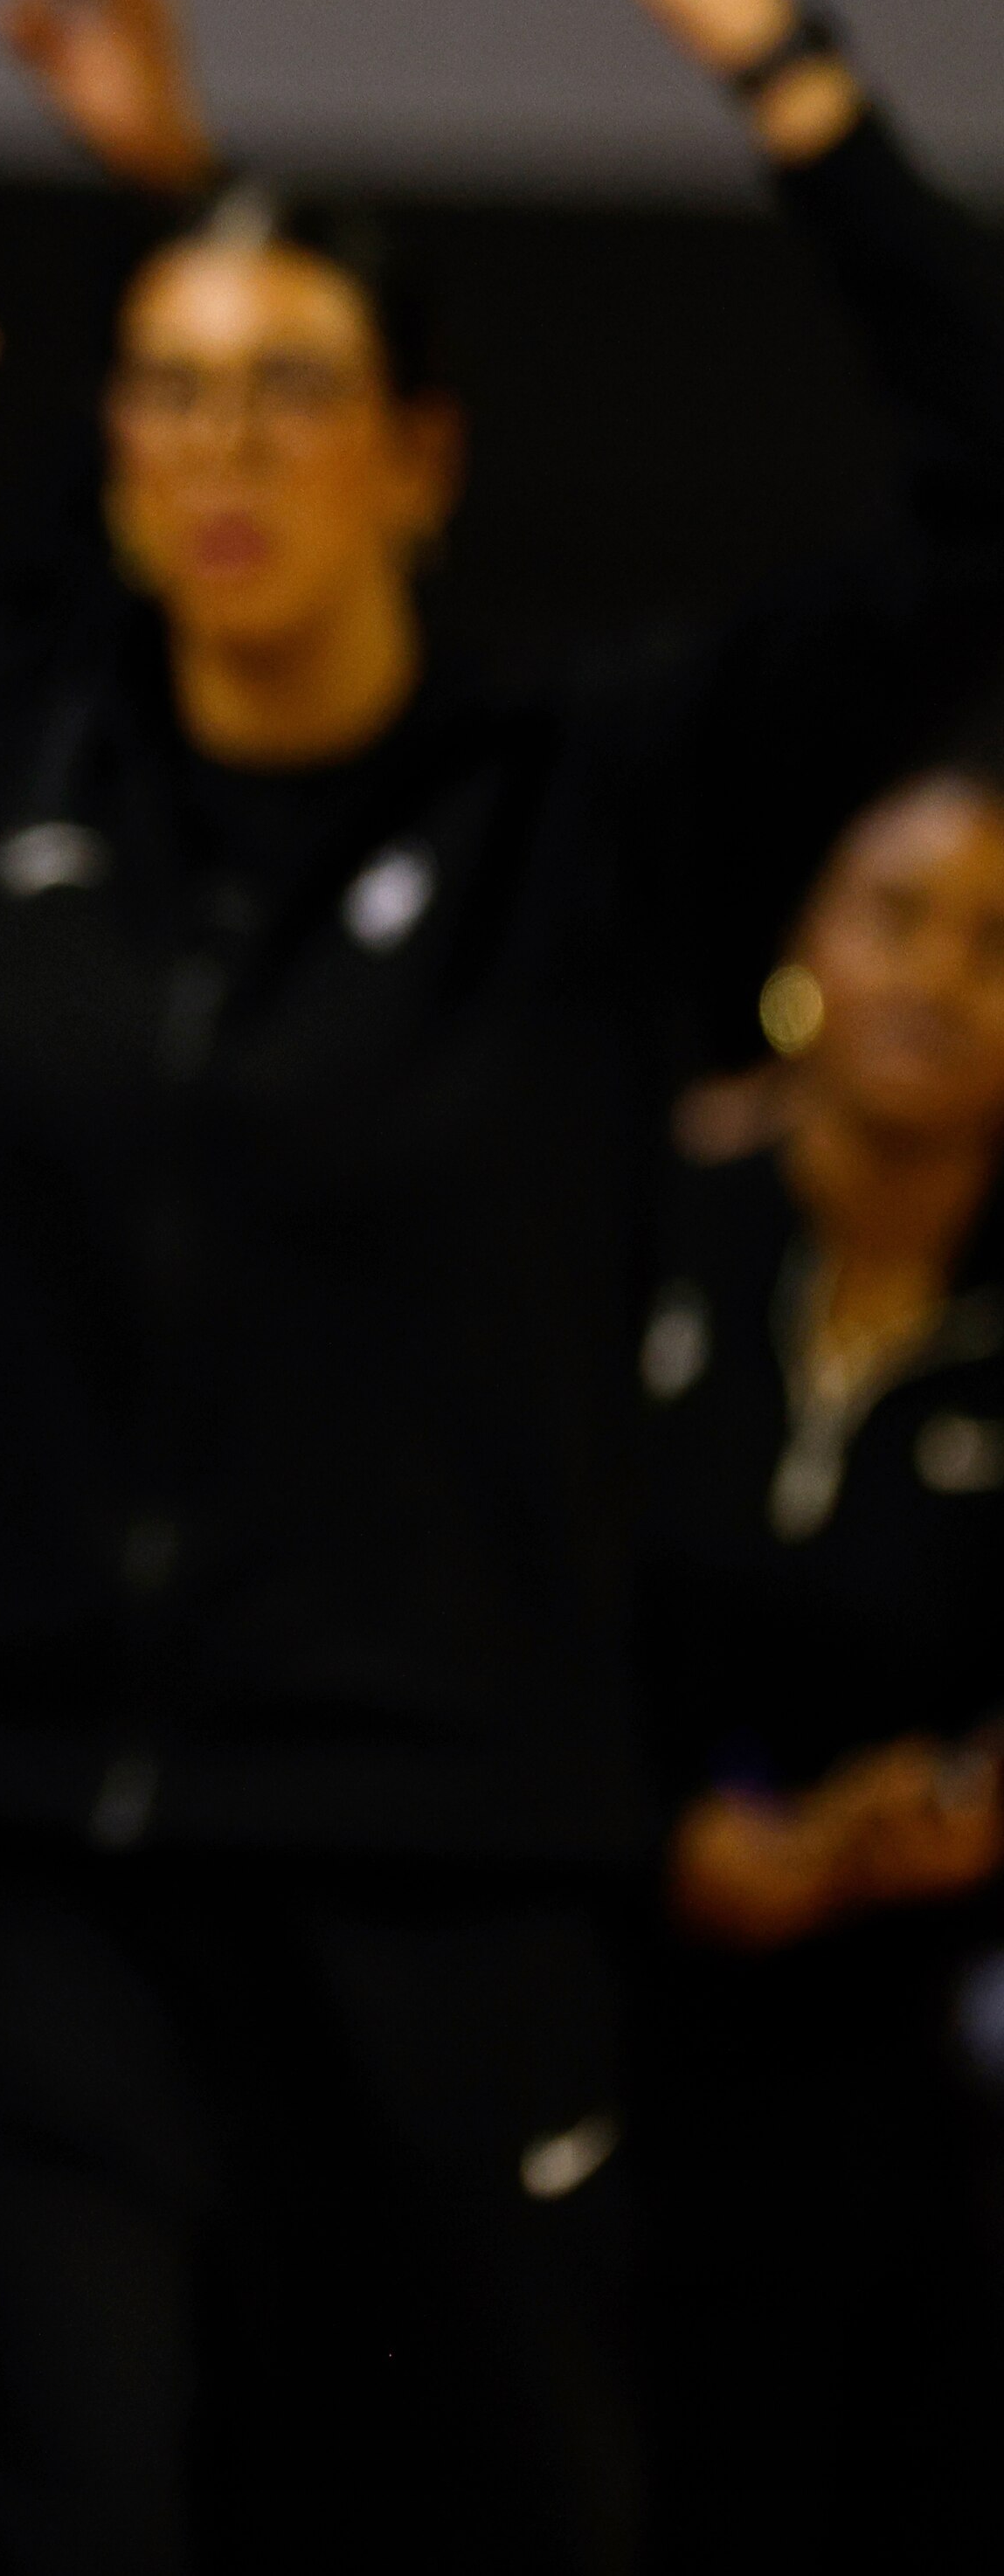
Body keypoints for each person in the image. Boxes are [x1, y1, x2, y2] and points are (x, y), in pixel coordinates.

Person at [0, 0, 1004, 2570]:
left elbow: (978, 490)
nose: (221, 448)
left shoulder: (597, 803)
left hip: (447, 1877)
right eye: (172, 391)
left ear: (421, 458)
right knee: (38, 2501)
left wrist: (768, 47)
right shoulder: (5, 766)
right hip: (12, 1868)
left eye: (290, 392)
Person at [625, 760, 1004, 2566]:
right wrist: (660, 1831)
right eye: (899, 915)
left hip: (905, 2029)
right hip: (587, 1959)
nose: (939, 974)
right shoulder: (629, 1223)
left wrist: (952, 1811)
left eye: (999, 943)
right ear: (804, 943)